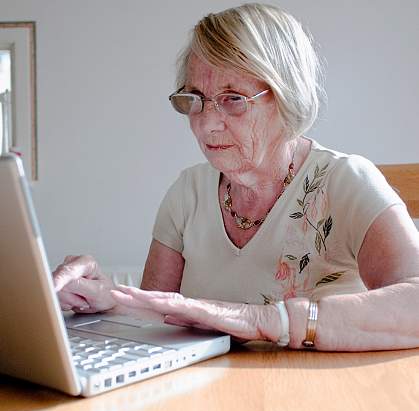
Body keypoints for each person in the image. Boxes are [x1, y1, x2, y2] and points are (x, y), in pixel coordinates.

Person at [53, 3, 419, 351]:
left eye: (233, 99)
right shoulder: (188, 193)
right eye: (195, 97)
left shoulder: (345, 182)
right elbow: (157, 323)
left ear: (286, 97)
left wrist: (265, 321)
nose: (207, 124)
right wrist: (103, 300)